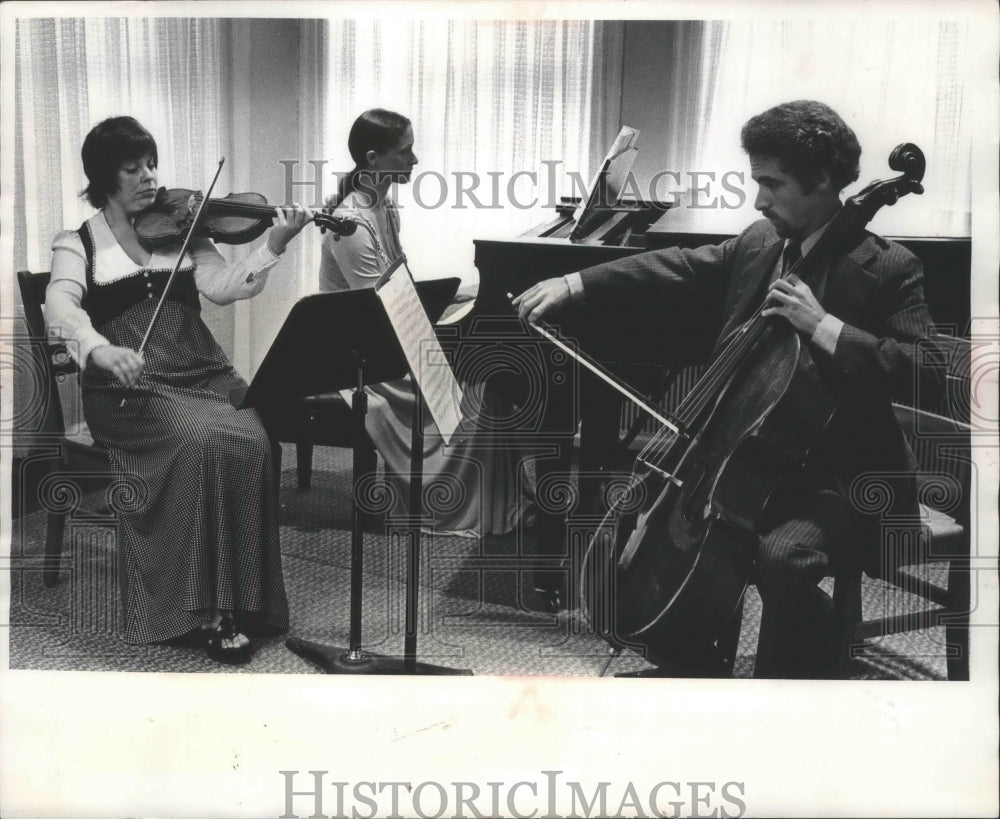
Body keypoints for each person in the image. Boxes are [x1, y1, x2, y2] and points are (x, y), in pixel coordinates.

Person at [514, 100, 944, 678]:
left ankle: (808, 677)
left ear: (821, 182)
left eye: (772, 183)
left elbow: (929, 373)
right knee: (676, 514)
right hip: (757, 464)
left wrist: (826, 327)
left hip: (848, 479)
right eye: (756, 182)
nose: (759, 200)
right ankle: (691, 660)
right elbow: (685, 264)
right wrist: (577, 281)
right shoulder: (762, 242)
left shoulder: (888, 268)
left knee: (781, 557)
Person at [45, 116, 314, 663]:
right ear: (103, 177)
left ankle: (247, 601)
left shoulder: (182, 228)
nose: (148, 177)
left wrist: (274, 245)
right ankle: (200, 611)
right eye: (132, 168)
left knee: (254, 438)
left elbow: (220, 289)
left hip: (201, 372)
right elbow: (59, 307)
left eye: (150, 164)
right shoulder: (79, 243)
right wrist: (99, 348)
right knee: (201, 442)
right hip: (131, 390)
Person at [319, 108, 531, 537]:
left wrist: (463, 295)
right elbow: (379, 310)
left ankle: (491, 500)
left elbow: (399, 285)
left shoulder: (383, 206)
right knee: (478, 384)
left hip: (386, 334)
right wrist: (440, 326)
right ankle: (456, 507)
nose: (414, 160)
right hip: (360, 353)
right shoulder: (352, 225)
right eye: (406, 151)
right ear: (374, 159)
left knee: (481, 374)